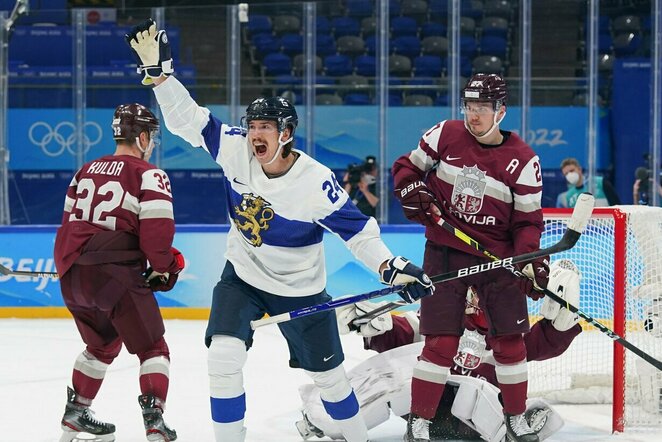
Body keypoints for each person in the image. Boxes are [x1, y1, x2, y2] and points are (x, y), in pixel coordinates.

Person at [125, 20, 434, 442]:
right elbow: (189, 121)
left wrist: (390, 266)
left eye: (265, 127)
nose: (255, 134)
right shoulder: (235, 148)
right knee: (223, 356)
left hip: (301, 289)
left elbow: (358, 232)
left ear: (285, 134)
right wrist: (161, 77)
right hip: (244, 280)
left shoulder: (314, 181)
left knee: (331, 382)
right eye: (252, 126)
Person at [392, 73, 548, 442]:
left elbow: (528, 222)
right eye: (469, 106)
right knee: (440, 343)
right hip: (445, 253)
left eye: (482, 108)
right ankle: (421, 422)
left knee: (510, 343)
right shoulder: (444, 134)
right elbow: (406, 168)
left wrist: (529, 260)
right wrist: (412, 188)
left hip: (498, 260)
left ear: (501, 111)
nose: (473, 115)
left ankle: (516, 420)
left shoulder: (524, 161)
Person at [296, 259, 582, 441]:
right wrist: (373, 322)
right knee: (401, 375)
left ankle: (510, 429)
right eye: (471, 292)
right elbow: (402, 335)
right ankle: (329, 419)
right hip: (423, 417)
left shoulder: (509, 335)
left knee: (478, 392)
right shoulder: (439, 321)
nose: (474, 299)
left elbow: (544, 343)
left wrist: (565, 320)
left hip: (475, 425)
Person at [54, 103, 185, 442]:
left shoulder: (85, 170)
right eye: (151, 136)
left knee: (102, 345)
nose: (151, 143)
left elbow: (70, 225)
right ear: (141, 137)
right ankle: (155, 422)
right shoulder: (149, 174)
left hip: (72, 275)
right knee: (153, 347)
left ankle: (76, 414)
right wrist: (168, 267)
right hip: (114, 276)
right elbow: (157, 239)